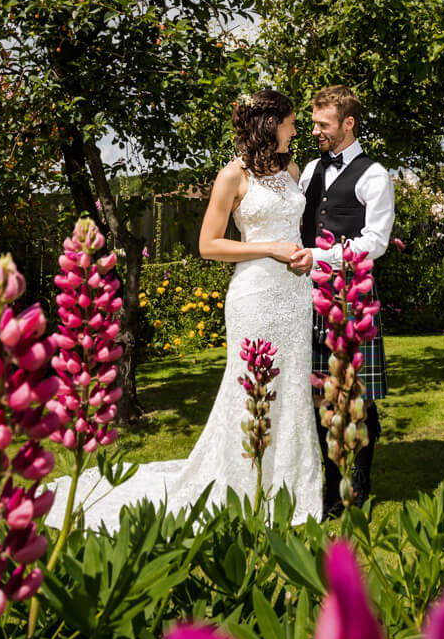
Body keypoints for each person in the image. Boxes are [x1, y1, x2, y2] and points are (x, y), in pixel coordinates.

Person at [66, 88, 322, 531]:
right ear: (269, 125)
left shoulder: (292, 169)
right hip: (256, 294)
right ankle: (242, 487)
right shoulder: (232, 176)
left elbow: (292, 228)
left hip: (295, 294)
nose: (295, 129)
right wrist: (269, 250)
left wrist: (298, 255)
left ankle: (292, 488)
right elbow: (208, 245)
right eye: (290, 122)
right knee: (250, 387)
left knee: (294, 384)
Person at [294, 84, 395, 520]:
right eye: (313, 122)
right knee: (320, 394)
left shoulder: (375, 175)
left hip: (353, 295)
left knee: (358, 394)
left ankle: (363, 482)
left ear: (348, 123)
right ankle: (331, 489)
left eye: (323, 124)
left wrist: (322, 255)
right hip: (310, 295)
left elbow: (375, 242)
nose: (314, 130)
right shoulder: (309, 170)